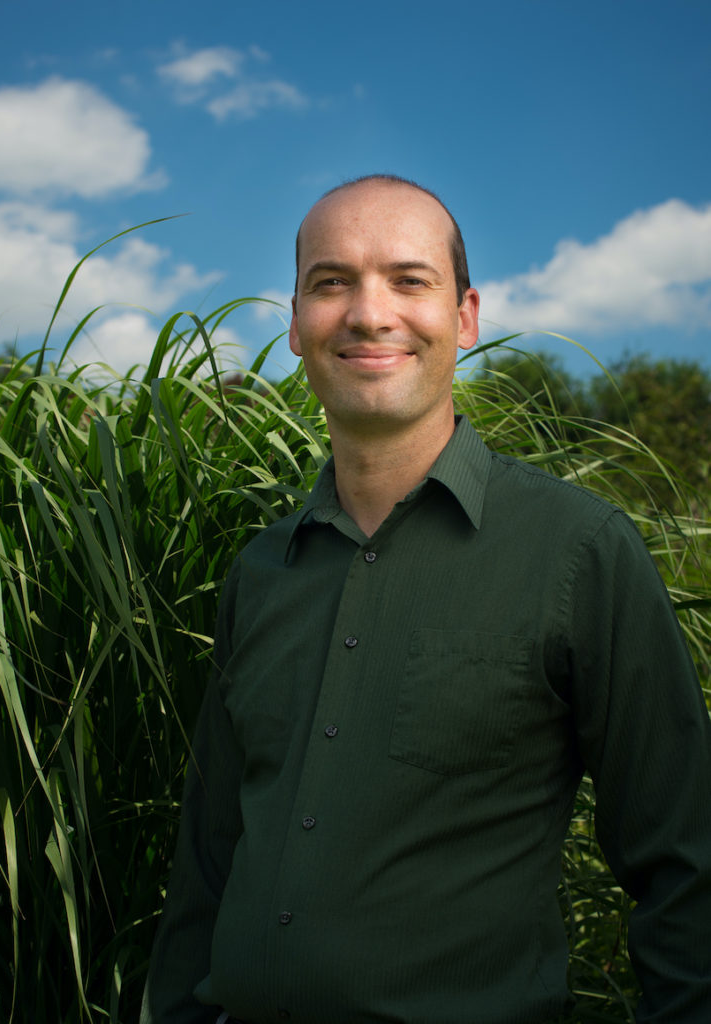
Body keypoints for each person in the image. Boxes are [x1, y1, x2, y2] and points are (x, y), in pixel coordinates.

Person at [141, 175, 711, 1023]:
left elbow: (687, 869)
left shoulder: (580, 553)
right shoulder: (262, 572)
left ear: (465, 317)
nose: (370, 315)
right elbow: (208, 863)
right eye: (331, 282)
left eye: (409, 281)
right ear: (294, 324)